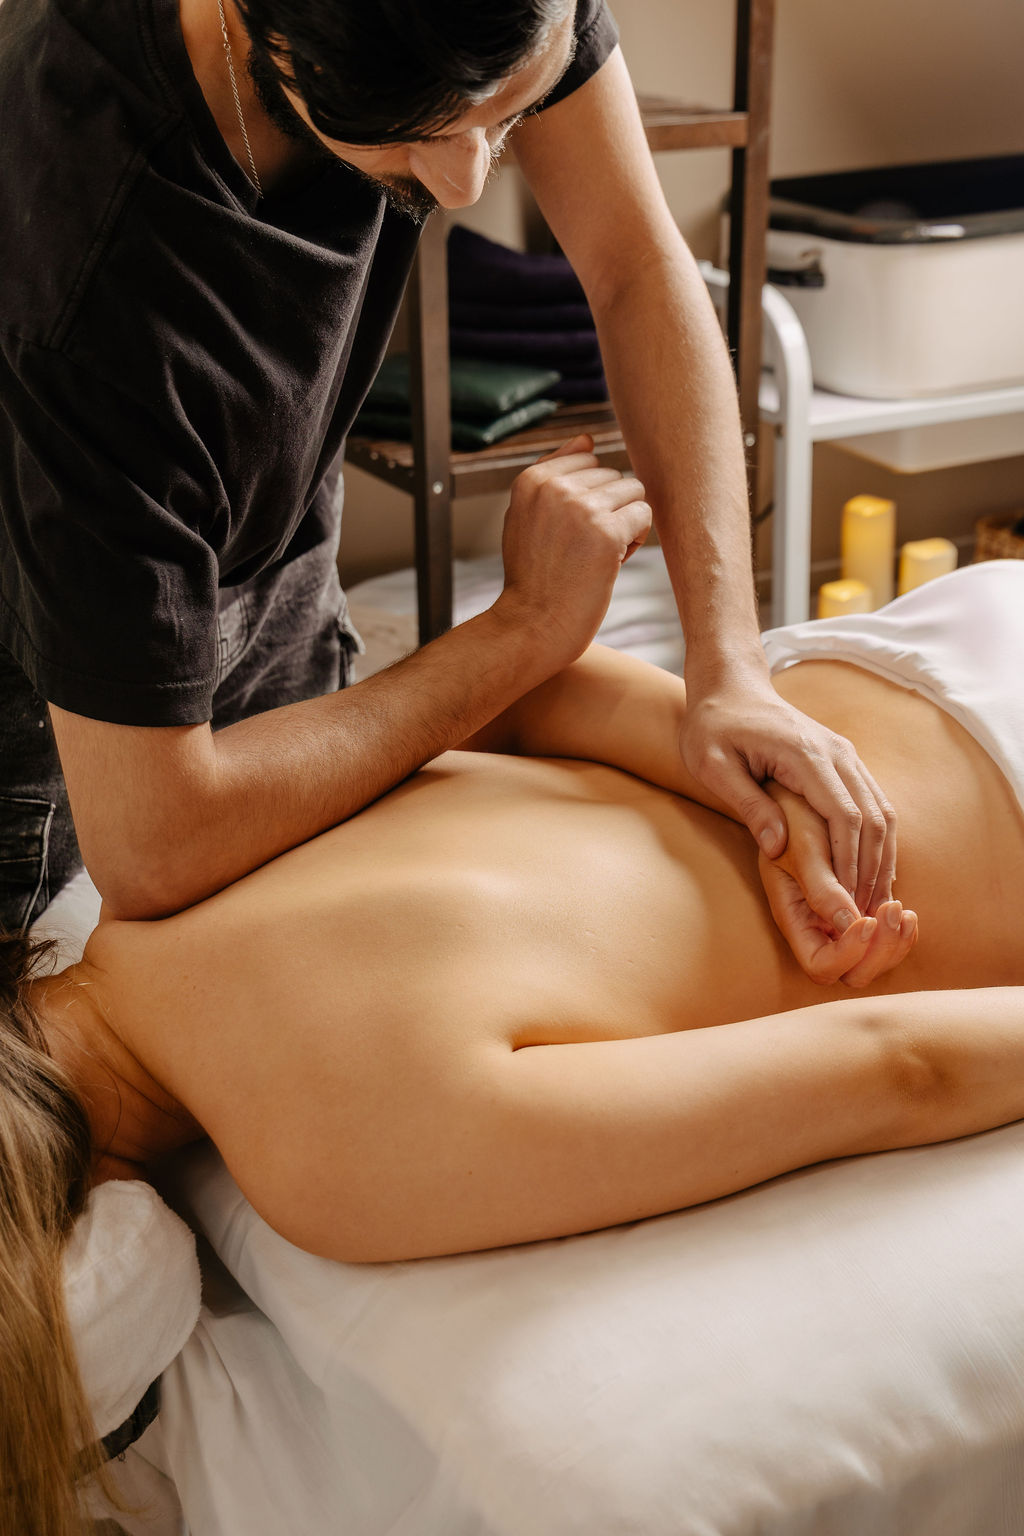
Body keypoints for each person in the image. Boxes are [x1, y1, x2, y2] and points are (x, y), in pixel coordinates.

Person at [2, 561, 1024, 1532]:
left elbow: (901, 1066)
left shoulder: (323, 1156)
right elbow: (540, 696)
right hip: (904, 657)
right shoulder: (176, 855)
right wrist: (772, 814)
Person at [0, 0, 894, 939]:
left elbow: (633, 261)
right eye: (417, 135)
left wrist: (732, 668)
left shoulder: (496, 11)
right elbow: (154, 847)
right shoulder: (85, 284)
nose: (465, 184)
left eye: (509, 113)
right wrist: (521, 630)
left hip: (270, 573)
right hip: (48, 703)